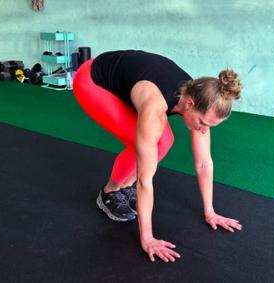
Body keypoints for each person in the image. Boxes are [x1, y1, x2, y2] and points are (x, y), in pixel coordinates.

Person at [73, 50, 243, 263]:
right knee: (154, 141)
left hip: (128, 80)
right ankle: (110, 192)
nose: (203, 130)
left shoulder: (201, 98)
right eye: (203, 124)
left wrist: (211, 212)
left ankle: (123, 186)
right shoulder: (155, 106)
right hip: (91, 81)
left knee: (164, 141)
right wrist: (148, 238)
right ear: (189, 104)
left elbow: (203, 163)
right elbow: (145, 180)